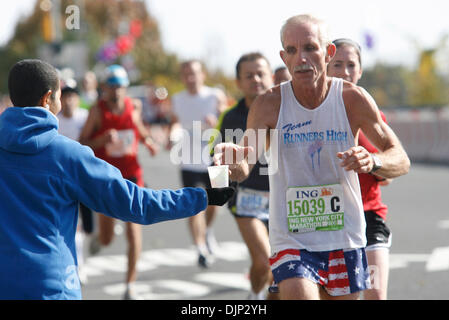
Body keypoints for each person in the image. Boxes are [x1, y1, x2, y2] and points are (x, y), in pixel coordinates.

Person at [0, 59, 234, 300]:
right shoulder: (66, 154)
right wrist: (203, 196)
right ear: (47, 99)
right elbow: (137, 204)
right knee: (110, 233)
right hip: (50, 287)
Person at [213, 14, 410, 300]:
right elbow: (245, 165)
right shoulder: (269, 104)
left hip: (345, 234)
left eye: (310, 48)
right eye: (292, 51)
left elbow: (401, 158)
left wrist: (373, 161)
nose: (301, 58)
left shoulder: (352, 98)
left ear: (328, 52)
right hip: (292, 236)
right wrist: (230, 162)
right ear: (283, 56)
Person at [78, 64, 160, 299]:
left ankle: (130, 285)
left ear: (126, 88)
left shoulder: (133, 106)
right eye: (111, 87)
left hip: (133, 174)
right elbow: (82, 142)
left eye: (120, 87)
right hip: (107, 177)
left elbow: (140, 129)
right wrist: (102, 139)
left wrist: (149, 142)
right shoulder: (97, 111)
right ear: (104, 88)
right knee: (106, 239)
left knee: (134, 230)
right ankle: (99, 236)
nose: (116, 92)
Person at [328, 38, 392, 300]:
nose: (345, 72)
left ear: (360, 70)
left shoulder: (372, 113)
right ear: (325, 67)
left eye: (351, 65)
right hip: (329, 220)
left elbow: (388, 176)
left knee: (375, 295)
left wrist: (370, 163)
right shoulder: (312, 112)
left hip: (369, 216)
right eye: (337, 64)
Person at [212, 52, 276, 300]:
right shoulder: (230, 117)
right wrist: (219, 194)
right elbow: (216, 158)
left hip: (285, 200)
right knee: (263, 261)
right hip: (246, 200)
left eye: (261, 73)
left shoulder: (288, 111)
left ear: (271, 76)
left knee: (281, 274)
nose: (256, 79)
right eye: (249, 76)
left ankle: (259, 295)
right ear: (238, 82)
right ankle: (254, 293)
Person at [168, 59, 228, 268]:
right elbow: (175, 121)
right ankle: (200, 247)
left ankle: (207, 231)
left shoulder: (214, 95)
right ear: (182, 77)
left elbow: (226, 116)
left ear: (202, 75)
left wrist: (217, 118)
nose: (190, 78)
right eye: (186, 74)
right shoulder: (177, 99)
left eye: (194, 73)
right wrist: (172, 134)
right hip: (189, 161)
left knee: (217, 202)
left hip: (215, 158)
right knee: (194, 206)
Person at [57, 85, 94, 285]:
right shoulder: (55, 119)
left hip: (84, 177)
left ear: (77, 99)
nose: (69, 101)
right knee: (72, 225)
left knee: (87, 227)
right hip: (62, 180)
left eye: (73, 97)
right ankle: (78, 264)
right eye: (66, 97)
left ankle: (84, 254)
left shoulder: (85, 117)